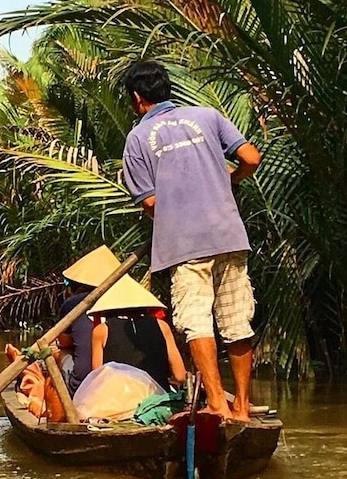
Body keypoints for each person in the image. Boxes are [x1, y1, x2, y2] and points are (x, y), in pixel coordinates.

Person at [116, 61, 263, 423]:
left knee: (197, 322)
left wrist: (169, 213)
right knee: (237, 322)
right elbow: (251, 158)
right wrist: (230, 180)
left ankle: (216, 403)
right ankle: (242, 407)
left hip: (185, 245)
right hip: (228, 235)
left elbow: (149, 202)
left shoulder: (137, 139)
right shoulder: (208, 116)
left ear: (137, 99)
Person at [82, 278, 189, 389]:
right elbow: (180, 375)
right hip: (156, 399)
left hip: (118, 400)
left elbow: (98, 378)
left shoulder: (102, 331)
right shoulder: (162, 326)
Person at [58, 246, 122, 389]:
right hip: (125, 379)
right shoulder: (125, 301)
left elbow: (64, 342)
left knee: (62, 352)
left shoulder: (72, 304)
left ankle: (68, 391)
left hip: (85, 385)